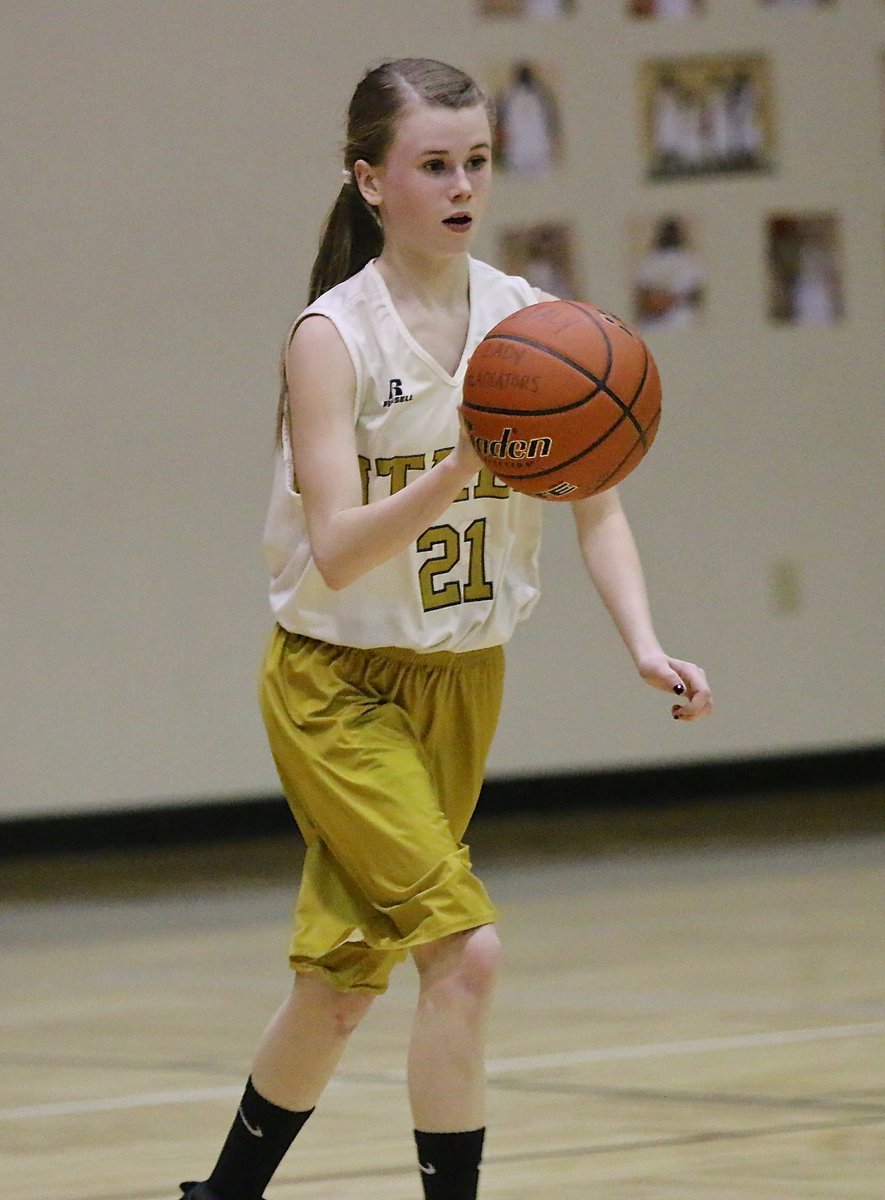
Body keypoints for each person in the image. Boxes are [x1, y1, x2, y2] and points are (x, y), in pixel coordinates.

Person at [178, 57, 712, 1200]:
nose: (461, 184)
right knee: (465, 957)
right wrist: (464, 459)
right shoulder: (332, 338)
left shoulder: (532, 324)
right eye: (433, 164)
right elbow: (336, 545)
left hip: (465, 679)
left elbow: (595, 506)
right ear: (370, 180)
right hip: (338, 685)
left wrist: (642, 642)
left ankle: (221, 1197)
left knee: (339, 982)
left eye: (476, 161)